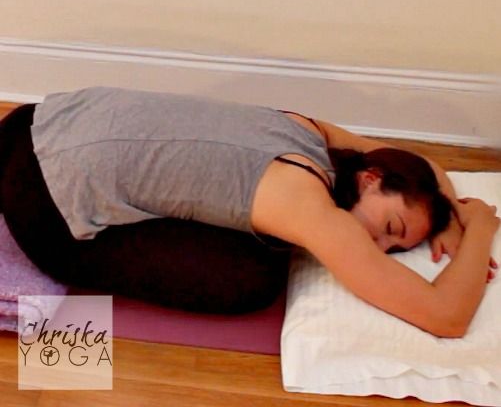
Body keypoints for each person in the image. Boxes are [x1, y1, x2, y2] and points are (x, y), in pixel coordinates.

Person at [0, 86, 498, 337]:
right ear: (371, 179)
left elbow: (427, 166)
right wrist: (479, 225)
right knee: (252, 277)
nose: (379, 247)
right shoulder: (311, 208)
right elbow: (445, 316)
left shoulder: (308, 131)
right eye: (390, 228)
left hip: (40, 120)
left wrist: (449, 212)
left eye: (394, 246)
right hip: (42, 203)